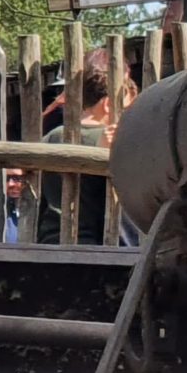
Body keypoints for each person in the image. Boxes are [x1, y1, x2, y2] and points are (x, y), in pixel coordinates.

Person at [36, 61, 116, 245]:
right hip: (94, 245)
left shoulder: (53, 136)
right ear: (107, 103)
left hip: (49, 239)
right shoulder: (113, 140)